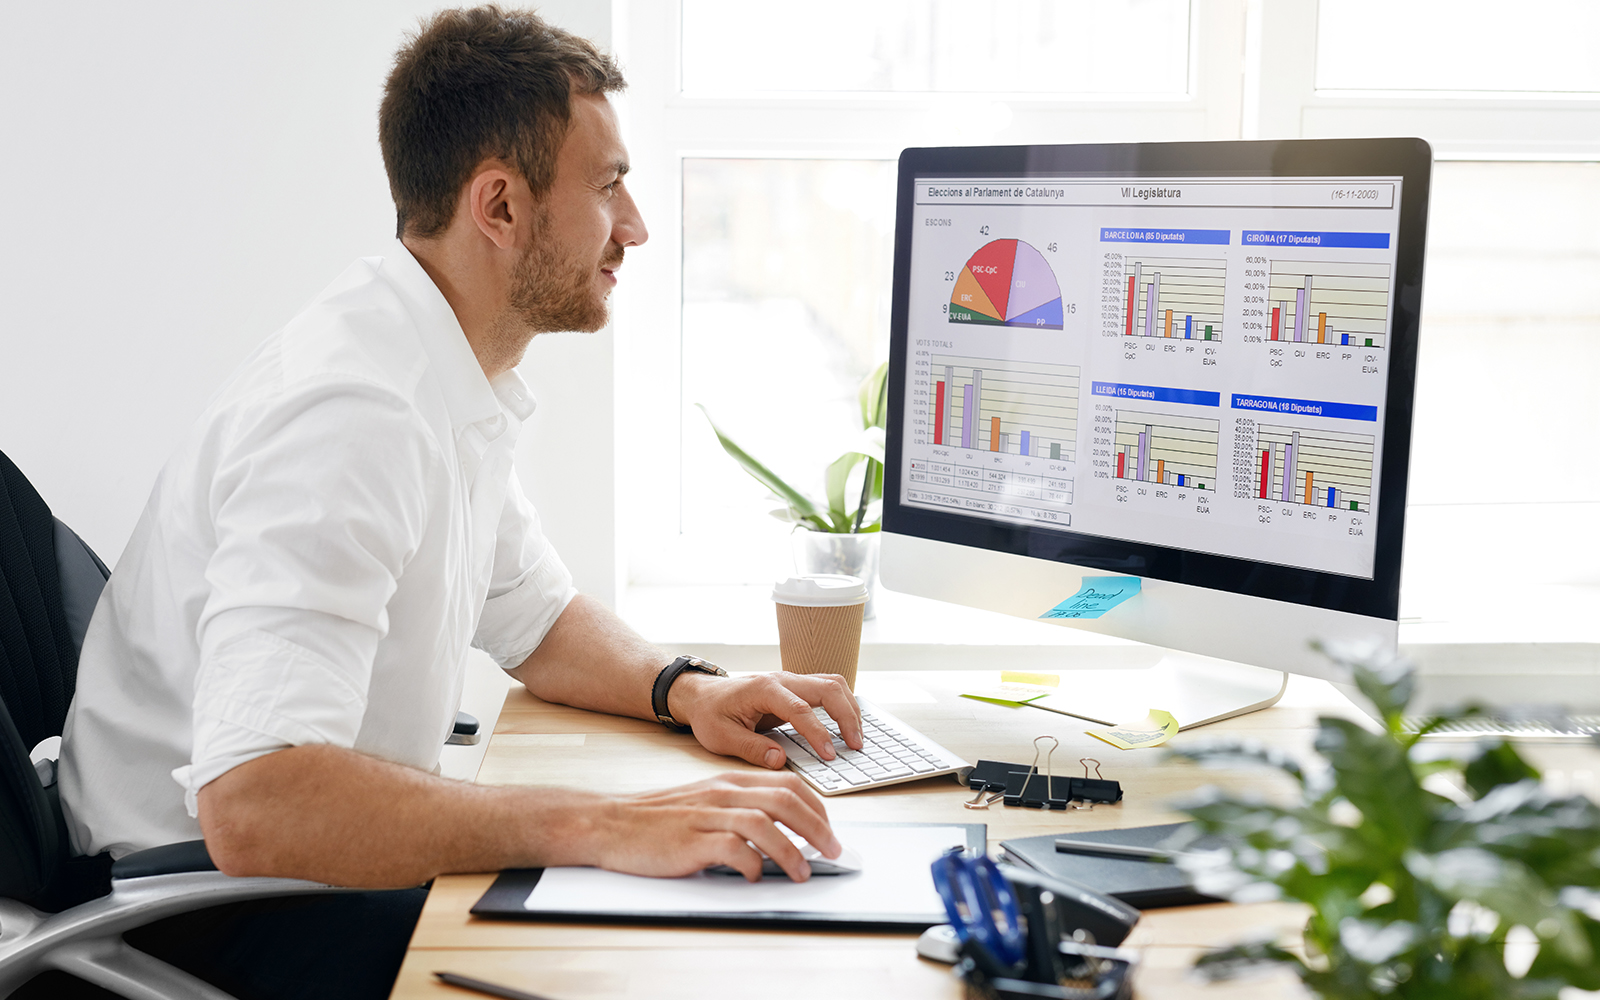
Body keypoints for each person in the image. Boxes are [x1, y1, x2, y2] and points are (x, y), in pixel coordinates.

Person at [48, 7, 861, 999]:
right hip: (207, 909)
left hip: (280, 871)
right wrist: (603, 823)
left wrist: (686, 689)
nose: (635, 226)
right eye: (607, 185)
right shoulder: (353, 416)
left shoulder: (432, 369)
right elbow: (254, 802)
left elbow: (535, 617)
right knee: (642, 966)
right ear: (501, 206)